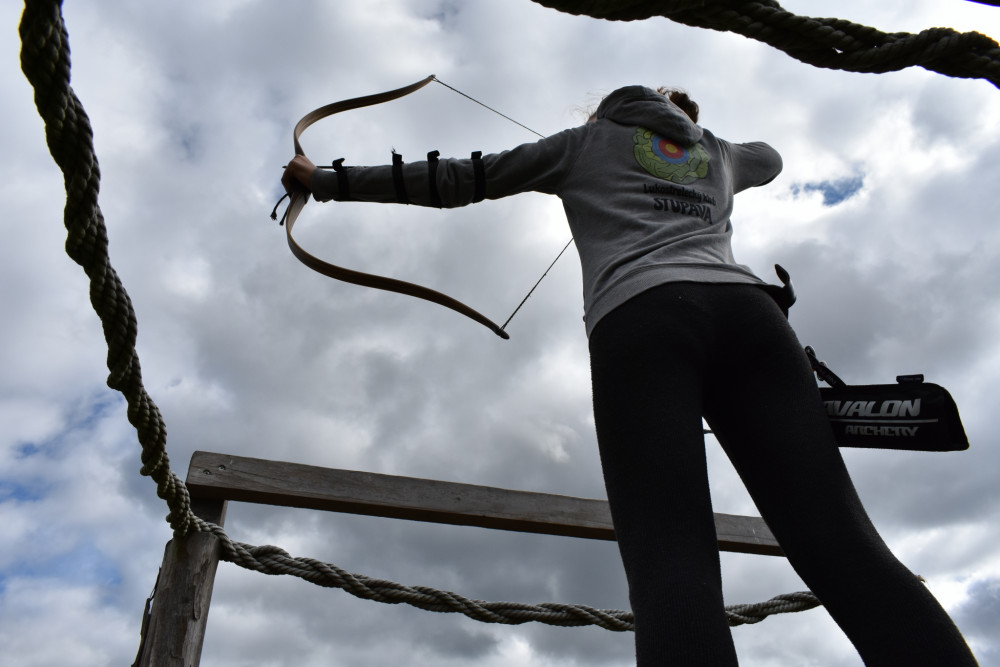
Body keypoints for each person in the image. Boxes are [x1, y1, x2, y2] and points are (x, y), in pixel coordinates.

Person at [282, 85, 978, 666]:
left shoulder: (583, 143)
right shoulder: (718, 154)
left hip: (641, 325)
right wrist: (705, 148)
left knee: (672, 562)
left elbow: (458, 178)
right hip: (753, 321)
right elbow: (772, 157)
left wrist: (325, 181)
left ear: (602, 112)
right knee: (844, 545)